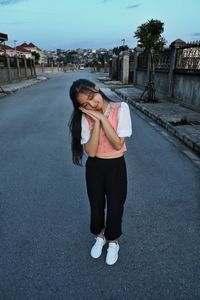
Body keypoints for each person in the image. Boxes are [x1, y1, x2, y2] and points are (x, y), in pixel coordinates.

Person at [69, 79, 132, 265]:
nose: (91, 104)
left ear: (97, 89)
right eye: (85, 104)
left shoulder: (121, 109)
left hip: (116, 166)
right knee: (96, 205)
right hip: (95, 168)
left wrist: (103, 118)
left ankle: (113, 242)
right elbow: (92, 152)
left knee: (115, 206)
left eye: (91, 97)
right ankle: (100, 236)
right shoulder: (84, 117)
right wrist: (95, 122)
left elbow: (118, 143)